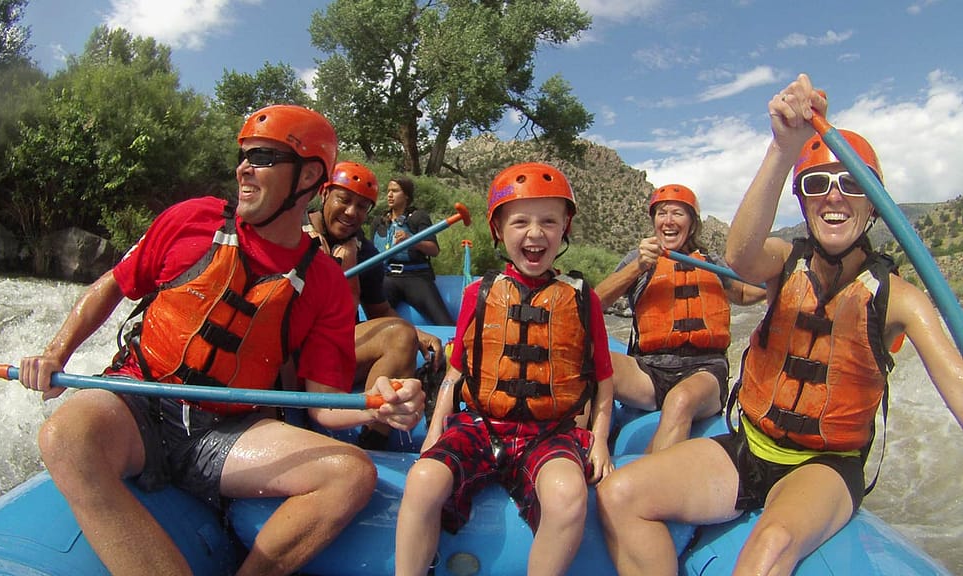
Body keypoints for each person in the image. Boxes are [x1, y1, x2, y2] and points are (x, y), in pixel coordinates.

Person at [18, 105, 425, 576]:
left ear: (310, 175)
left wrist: (373, 405)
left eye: (264, 157)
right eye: (244, 155)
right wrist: (56, 352)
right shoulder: (193, 219)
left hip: (228, 429)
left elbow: (322, 405)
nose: (243, 167)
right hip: (140, 397)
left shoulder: (326, 284)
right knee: (66, 438)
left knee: (351, 473)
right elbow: (115, 282)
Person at [596, 73, 963, 576]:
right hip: (748, 444)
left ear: (873, 203)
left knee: (768, 547)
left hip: (824, 467)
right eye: (818, 185)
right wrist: (783, 147)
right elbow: (741, 255)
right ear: (804, 200)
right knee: (621, 494)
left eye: (851, 185)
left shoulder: (902, 300)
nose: (834, 198)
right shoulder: (783, 263)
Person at [395, 162, 616, 576]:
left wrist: (599, 441)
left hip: (550, 431)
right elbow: (455, 373)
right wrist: (434, 431)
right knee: (423, 479)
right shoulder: (479, 294)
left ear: (565, 228)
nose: (535, 234)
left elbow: (603, 380)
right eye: (521, 222)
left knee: (569, 495)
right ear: (497, 229)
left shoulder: (583, 301)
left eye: (549, 221)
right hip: (481, 423)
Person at [594, 184, 766, 452]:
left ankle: (647, 483)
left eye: (678, 213)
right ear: (654, 221)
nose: (669, 221)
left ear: (692, 223)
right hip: (650, 371)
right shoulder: (637, 259)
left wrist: (781, 280)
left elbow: (743, 293)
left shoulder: (711, 261)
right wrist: (638, 266)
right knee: (587, 363)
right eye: (662, 213)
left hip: (705, 370)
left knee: (680, 399)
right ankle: (580, 449)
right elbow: (595, 302)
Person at [306, 161, 445, 449]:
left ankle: (373, 437)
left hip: (335, 350)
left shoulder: (364, 249)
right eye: (343, 200)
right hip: (293, 351)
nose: (351, 213)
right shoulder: (294, 232)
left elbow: (379, 310)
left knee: (401, 333)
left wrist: (417, 333)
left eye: (361, 206)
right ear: (324, 195)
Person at [371, 176, 455, 325]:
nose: (389, 195)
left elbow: (434, 250)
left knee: (444, 321)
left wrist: (411, 240)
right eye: (388, 191)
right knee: (373, 322)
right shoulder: (379, 222)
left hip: (415, 277)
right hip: (387, 277)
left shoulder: (418, 217)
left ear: (406, 196)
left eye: (395, 191)